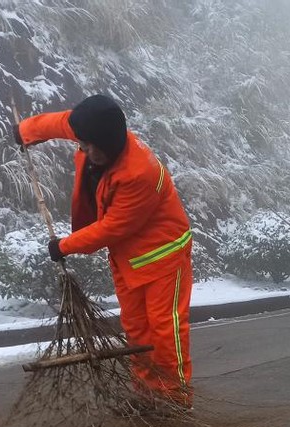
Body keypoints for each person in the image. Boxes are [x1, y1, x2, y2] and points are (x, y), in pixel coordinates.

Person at [16, 94, 194, 406]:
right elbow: (60, 123)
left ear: (110, 143)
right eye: (83, 144)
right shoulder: (93, 131)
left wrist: (63, 246)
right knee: (137, 328)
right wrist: (26, 131)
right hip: (127, 258)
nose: (86, 151)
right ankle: (146, 392)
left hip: (163, 257)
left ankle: (175, 398)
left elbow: (113, 227)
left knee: (165, 330)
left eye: (92, 147)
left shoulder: (140, 172)